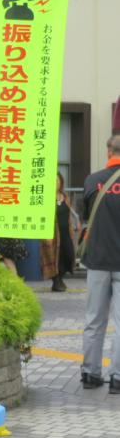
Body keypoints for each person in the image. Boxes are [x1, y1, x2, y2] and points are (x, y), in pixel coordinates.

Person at [80, 134, 120, 392]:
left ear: (108, 151)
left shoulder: (92, 181)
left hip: (96, 259)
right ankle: (117, 377)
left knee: (94, 319)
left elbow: (86, 219)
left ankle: (90, 374)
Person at [40, 172, 78, 292]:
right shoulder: (45, 197)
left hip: (66, 232)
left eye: (58, 181)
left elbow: (69, 214)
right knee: (53, 258)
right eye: (53, 181)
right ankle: (56, 281)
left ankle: (60, 278)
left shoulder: (65, 196)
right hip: (52, 233)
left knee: (68, 255)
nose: (56, 183)